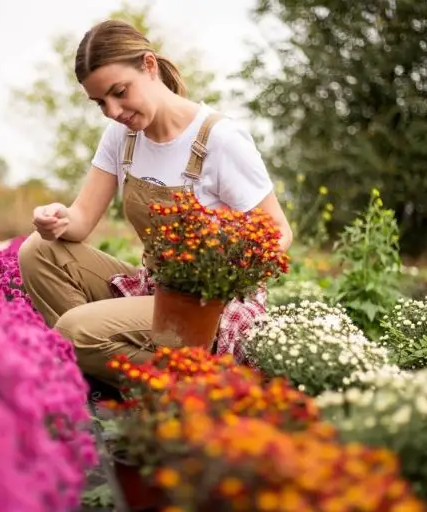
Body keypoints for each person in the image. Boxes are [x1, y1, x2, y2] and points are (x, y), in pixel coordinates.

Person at [18, 19, 293, 389]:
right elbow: (81, 219)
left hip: (206, 308)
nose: (113, 111)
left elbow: (278, 230)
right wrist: (56, 220)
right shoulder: (122, 137)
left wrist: (220, 277)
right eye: (100, 102)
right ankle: (111, 362)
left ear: (149, 66)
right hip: (156, 289)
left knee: (74, 331)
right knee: (39, 251)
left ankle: (205, 386)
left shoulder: (219, 140)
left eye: (119, 92)